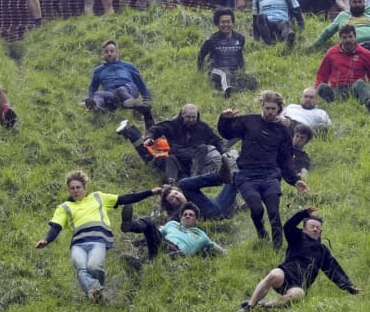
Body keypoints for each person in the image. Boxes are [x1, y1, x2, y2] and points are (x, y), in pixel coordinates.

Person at [35, 170, 163, 301]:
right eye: (72, 188)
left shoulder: (98, 197)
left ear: (84, 188)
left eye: (78, 187)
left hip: (98, 241)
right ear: (68, 190)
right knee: (81, 269)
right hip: (78, 244)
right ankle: (95, 293)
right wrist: (46, 240)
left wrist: (151, 192)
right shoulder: (64, 207)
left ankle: (96, 292)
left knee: (94, 267)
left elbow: (125, 198)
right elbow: (56, 227)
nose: (75, 191)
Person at [218, 90, 309, 249]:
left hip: (270, 175)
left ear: (279, 109)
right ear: (262, 106)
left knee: (274, 212)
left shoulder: (282, 131)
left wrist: (295, 180)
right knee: (257, 209)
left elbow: (285, 159)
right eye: (267, 108)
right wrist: (224, 119)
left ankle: (278, 248)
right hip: (247, 175)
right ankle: (261, 231)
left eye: (273, 109)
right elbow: (226, 132)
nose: (269, 112)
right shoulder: (248, 121)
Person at [237, 207, 361, 311]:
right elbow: (288, 226)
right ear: (304, 229)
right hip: (285, 274)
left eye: (318, 228)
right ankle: (249, 306)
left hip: (299, 285)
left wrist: (348, 286)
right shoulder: (297, 236)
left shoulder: (322, 250)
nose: (315, 229)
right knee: (274, 274)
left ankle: (264, 306)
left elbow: (334, 270)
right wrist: (303, 213)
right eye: (312, 226)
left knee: (298, 295)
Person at [143, 103, 227, 183]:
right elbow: (156, 129)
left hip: (194, 159)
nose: (191, 120)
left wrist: (224, 151)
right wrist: (150, 138)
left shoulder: (202, 127)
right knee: (170, 158)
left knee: (203, 148)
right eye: (188, 117)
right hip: (177, 158)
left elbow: (216, 140)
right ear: (182, 115)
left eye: (193, 117)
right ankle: (171, 182)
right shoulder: (173, 125)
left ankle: (194, 176)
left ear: (197, 116)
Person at [84, 39, 154, 129]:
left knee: (121, 90)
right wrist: (87, 99)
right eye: (106, 52)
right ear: (102, 54)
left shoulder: (128, 66)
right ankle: (97, 107)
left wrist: (147, 97)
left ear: (117, 52)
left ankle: (134, 104)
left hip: (128, 89)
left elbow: (140, 82)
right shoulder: (98, 70)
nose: (109, 53)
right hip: (111, 94)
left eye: (112, 51)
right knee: (98, 94)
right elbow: (93, 88)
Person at [120, 201, 226, 260]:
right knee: (148, 221)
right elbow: (155, 234)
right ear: (180, 218)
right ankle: (129, 225)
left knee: (172, 256)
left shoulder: (201, 235)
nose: (187, 216)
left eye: (191, 215)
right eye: (185, 215)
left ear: (196, 220)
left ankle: (142, 264)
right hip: (162, 244)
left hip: (178, 252)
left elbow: (217, 248)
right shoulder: (172, 224)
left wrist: (229, 254)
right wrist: (134, 244)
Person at [198, 7, 257, 97]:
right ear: (217, 24)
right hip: (217, 71)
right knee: (225, 73)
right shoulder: (211, 40)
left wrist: (242, 70)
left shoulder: (240, 38)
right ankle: (226, 91)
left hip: (234, 71)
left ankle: (227, 89)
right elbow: (201, 56)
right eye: (223, 22)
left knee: (252, 81)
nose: (226, 24)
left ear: (232, 22)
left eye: (228, 22)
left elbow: (240, 56)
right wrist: (200, 71)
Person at [314, 24, 370, 110]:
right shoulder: (331, 53)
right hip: (336, 90)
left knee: (360, 83)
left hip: (354, 89)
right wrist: (314, 95)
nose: (348, 40)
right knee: (322, 87)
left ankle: (368, 103)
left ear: (355, 37)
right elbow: (322, 75)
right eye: (344, 37)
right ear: (340, 39)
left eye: (350, 37)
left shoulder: (365, 54)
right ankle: (334, 104)